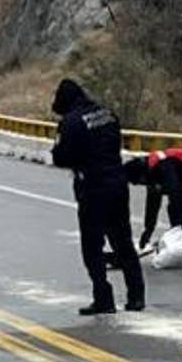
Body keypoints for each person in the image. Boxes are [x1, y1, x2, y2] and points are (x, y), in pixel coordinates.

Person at [51, 79, 146, 315]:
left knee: (92, 247)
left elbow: (61, 157)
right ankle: (136, 296)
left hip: (93, 188)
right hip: (117, 183)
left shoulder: (71, 122)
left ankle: (103, 298)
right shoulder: (108, 114)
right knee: (123, 242)